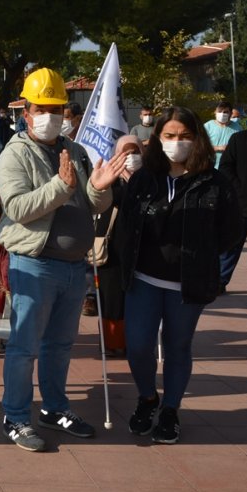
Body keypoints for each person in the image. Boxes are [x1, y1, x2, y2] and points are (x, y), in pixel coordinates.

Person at [0, 68, 124, 452]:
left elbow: (93, 203)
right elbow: (17, 208)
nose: (51, 115)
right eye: (42, 107)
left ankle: (54, 408)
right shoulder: (14, 154)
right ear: (26, 111)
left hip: (73, 265)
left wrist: (100, 190)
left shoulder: (76, 150)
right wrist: (60, 187)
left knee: (60, 345)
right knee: (24, 347)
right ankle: (15, 417)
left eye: (58, 107)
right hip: (34, 263)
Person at [112, 106, 242, 444]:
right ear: (157, 139)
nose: (177, 142)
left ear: (197, 139)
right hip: (143, 279)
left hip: (188, 283)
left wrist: (202, 253)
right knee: (138, 346)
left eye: (184, 136)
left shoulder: (215, 182)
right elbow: (125, 224)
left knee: (177, 345)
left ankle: (170, 409)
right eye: (169, 136)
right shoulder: (144, 178)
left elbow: (230, 233)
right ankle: (147, 398)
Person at [93, 134, 144, 356]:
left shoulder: (152, 178)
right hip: (111, 248)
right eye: (126, 152)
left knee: (138, 298)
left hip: (143, 248)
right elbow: (103, 199)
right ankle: (113, 343)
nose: (131, 157)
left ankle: (138, 341)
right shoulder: (108, 177)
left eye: (135, 152)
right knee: (111, 298)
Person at [219, 126, 247, 293]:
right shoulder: (239, 139)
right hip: (242, 203)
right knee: (231, 245)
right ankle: (219, 281)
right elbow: (225, 167)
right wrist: (238, 190)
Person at [203, 100, 240, 168]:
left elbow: (241, 147)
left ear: (231, 113)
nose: (222, 114)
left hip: (230, 167)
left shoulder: (237, 128)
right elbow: (199, 146)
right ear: (215, 112)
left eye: (225, 112)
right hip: (210, 167)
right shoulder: (207, 126)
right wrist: (218, 148)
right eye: (219, 111)